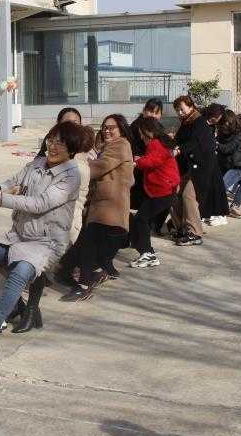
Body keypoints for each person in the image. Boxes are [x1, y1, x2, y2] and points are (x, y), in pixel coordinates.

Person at [0, 121, 83, 354]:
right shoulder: (37, 163)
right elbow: (14, 180)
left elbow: (40, 203)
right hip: (19, 235)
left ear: (71, 149)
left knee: (21, 271)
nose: (53, 146)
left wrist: (3, 200)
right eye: (51, 140)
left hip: (47, 243)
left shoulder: (71, 176)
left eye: (60, 143)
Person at [18, 107, 94, 333]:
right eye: (65, 125)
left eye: (75, 124)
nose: (71, 129)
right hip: (40, 220)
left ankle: (28, 310)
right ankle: (28, 310)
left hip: (63, 222)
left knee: (32, 265)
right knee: (31, 265)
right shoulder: (48, 156)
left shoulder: (78, 162)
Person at [58, 114, 134, 301]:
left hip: (108, 207)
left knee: (88, 246)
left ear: (121, 129)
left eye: (112, 127)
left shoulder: (120, 144)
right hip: (105, 205)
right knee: (85, 244)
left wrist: (71, 165)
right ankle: (88, 272)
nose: (107, 130)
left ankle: (84, 285)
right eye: (105, 127)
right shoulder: (114, 145)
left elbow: (99, 167)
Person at [169, 96, 223, 246]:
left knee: (188, 196)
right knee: (174, 195)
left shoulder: (199, 122)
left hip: (200, 167)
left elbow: (195, 142)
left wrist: (179, 149)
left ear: (191, 106)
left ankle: (195, 232)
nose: (179, 112)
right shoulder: (186, 123)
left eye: (182, 109)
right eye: (177, 110)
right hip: (186, 166)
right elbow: (179, 140)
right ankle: (181, 228)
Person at [129, 117, 180, 268]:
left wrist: (136, 162)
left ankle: (147, 254)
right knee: (143, 219)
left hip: (162, 190)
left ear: (148, 132)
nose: (141, 137)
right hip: (165, 189)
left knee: (140, 219)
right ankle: (145, 249)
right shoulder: (162, 142)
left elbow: (153, 161)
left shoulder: (155, 143)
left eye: (142, 134)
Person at [216, 110, 241, 194]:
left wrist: (217, 145)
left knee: (222, 187)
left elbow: (229, 148)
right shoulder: (223, 130)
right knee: (218, 186)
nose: (225, 124)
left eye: (227, 122)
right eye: (223, 122)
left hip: (237, 165)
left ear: (232, 121)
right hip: (225, 163)